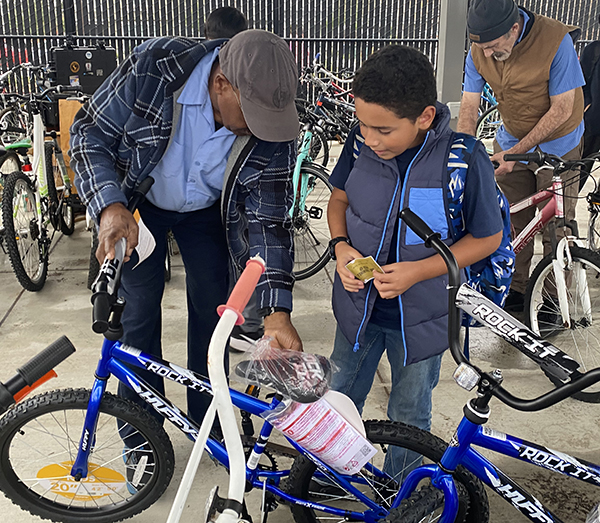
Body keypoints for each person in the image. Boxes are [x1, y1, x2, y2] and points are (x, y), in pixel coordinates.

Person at [70, 30, 303, 438]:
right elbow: (89, 134)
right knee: (137, 315)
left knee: (217, 317)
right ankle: (142, 433)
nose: (261, 130)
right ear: (220, 84)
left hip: (208, 213)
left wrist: (276, 310)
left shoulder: (271, 126)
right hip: (137, 206)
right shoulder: (156, 67)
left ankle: (209, 423)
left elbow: (269, 221)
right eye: (252, 117)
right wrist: (109, 205)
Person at [327, 45, 502, 479]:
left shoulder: (462, 158)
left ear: (424, 117)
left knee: (409, 413)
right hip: (358, 311)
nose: (369, 138)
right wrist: (340, 247)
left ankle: (401, 493)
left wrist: (418, 271)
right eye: (363, 125)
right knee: (335, 401)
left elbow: (488, 236)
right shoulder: (359, 144)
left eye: (383, 130)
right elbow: (340, 197)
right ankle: (327, 478)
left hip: (424, 317)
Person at [457, 0, 585, 314]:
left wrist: (516, 153)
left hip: (559, 145)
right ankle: (517, 289)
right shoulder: (479, 51)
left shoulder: (556, 41)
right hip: (511, 140)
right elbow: (469, 108)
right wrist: (462, 157)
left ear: (514, 28)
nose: (487, 54)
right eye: (481, 47)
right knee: (513, 219)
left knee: (558, 225)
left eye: (493, 46)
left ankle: (557, 302)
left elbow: (562, 109)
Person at [202, 6, 262, 352]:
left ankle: (245, 325)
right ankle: (241, 326)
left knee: (248, 255)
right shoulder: (175, 78)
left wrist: (277, 310)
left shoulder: (249, 79)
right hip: (210, 209)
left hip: (230, 204)